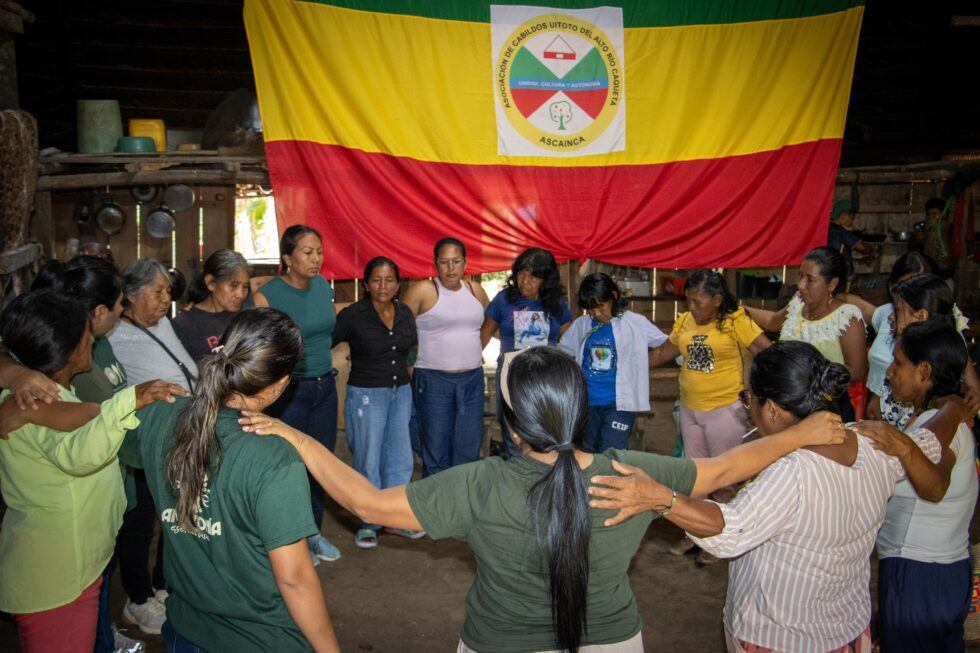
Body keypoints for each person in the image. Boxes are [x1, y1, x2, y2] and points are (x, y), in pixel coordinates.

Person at [239, 346, 847, 653]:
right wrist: (800, 431)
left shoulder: (478, 485)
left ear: (512, 423)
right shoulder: (632, 473)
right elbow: (724, 469)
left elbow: (367, 503)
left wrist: (294, 434)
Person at [589, 340, 964, 653]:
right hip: (847, 630)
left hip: (780, 636)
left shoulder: (794, 473)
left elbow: (730, 532)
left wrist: (659, 498)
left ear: (771, 408)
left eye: (747, 397)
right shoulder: (876, 441)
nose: (744, 406)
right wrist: (955, 407)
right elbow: (931, 438)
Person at [113, 308, 339, 653]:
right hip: (260, 639)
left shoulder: (159, 416)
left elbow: (111, 439)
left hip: (186, 628)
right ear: (280, 384)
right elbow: (294, 580)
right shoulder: (274, 459)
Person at [0, 289, 181, 653]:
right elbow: (81, 454)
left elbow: (83, 419)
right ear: (67, 349)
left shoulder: (47, 394)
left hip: (75, 564)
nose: (93, 339)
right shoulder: (29, 402)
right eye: (87, 333)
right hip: (57, 575)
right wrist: (131, 400)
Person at [647, 269, 771, 561]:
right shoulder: (686, 322)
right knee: (696, 477)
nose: (691, 308)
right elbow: (663, 353)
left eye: (697, 302)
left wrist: (759, 391)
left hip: (724, 410)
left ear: (717, 300)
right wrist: (629, 368)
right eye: (688, 301)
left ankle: (724, 537)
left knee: (724, 479)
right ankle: (695, 534)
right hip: (690, 408)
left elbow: (768, 351)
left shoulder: (735, 321)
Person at [868, 321, 977, 651]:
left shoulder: (943, 426)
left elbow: (934, 487)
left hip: (918, 574)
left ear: (925, 371)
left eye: (898, 362)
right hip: (942, 570)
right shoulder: (944, 418)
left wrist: (902, 447)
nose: (889, 372)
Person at [109, 257, 199, 634]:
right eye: (157, 292)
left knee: (172, 514)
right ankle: (138, 596)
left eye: (167, 292)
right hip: (143, 442)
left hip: (179, 436)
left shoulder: (162, 324)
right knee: (141, 520)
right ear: (129, 295)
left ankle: (163, 586)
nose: (165, 300)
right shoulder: (113, 336)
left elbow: (181, 367)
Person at [254, 225, 341, 564]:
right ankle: (292, 541)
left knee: (319, 463)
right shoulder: (268, 296)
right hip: (289, 391)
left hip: (324, 385)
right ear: (287, 258)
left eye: (319, 251)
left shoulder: (321, 286)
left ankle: (314, 533)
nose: (316, 258)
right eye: (307, 252)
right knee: (289, 466)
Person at [332, 256, 419, 548]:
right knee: (368, 457)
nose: (383, 286)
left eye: (389, 280)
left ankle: (396, 520)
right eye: (376, 280)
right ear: (366, 284)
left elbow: (411, 349)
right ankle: (368, 522)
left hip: (401, 392)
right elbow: (326, 341)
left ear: (397, 284)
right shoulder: (353, 315)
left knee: (400, 457)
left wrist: (411, 371)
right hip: (368, 394)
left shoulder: (405, 312)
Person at [745, 247, 867, 421]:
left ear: (831, 284)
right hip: (789, 405)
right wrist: (739, 309)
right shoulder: (798, 304)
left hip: (827, 409)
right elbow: (773, 321)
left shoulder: (847, 318)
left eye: (810, 280)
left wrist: (803, 368)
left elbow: (856, 372)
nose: (801, 285)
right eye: (800, 276)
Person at [402, 237, 490, 477]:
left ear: (465, 263)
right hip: (433, 381)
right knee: (436, 448)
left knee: (468, 447)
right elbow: (397, 331)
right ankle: (436, 509)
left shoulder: (476, 291)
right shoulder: (422, 290)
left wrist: (472, 352)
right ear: (435, 264)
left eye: (456, 261)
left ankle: (464, 506)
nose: (451, 268)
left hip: (472, 380)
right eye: (444, 262)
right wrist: (409, 364)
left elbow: (491, 326)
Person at [558, 273, 668, 452]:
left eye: (601, 307)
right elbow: (563, 351)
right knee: (589, 451)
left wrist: (643, 362)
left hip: (619, 404)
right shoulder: (582, 325)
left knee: (611, 452)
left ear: (614, 296)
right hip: (588, 403)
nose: (597, 314)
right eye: (591, 310)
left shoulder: (634, 323)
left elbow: (665, 344)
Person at [481, 247, 573, 457]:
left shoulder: (556, 304)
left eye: (534, 276)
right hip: (510, 375)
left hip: (545, 377)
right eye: (521, 273)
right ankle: (517, 478)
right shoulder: (504, 300)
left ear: (546, 279)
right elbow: (483, 337)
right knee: (512, 434)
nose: (525, 281)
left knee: (544, 434)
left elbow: (570, 342)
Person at [841, 251, 937, 420]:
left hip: (899, 427)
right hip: (872, 419)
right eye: (906, 285)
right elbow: (863, 308)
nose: (910, 291)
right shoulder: (890, 315)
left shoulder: (935, 340)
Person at [173, 249, 251, 362]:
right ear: (210, 283)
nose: (240, 294)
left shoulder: (246, 319)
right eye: (233, 285)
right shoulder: (184, 325)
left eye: (245, 287)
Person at [827, 199, 877, 276]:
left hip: (829, 268)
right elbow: (862, 248)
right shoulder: (841, 232)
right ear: (844, 216)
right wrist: (873, 250)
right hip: (839, 271)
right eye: (852, 218)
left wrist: (861, 260)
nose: (852, 222)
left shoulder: (828, 228)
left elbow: (840, 254)